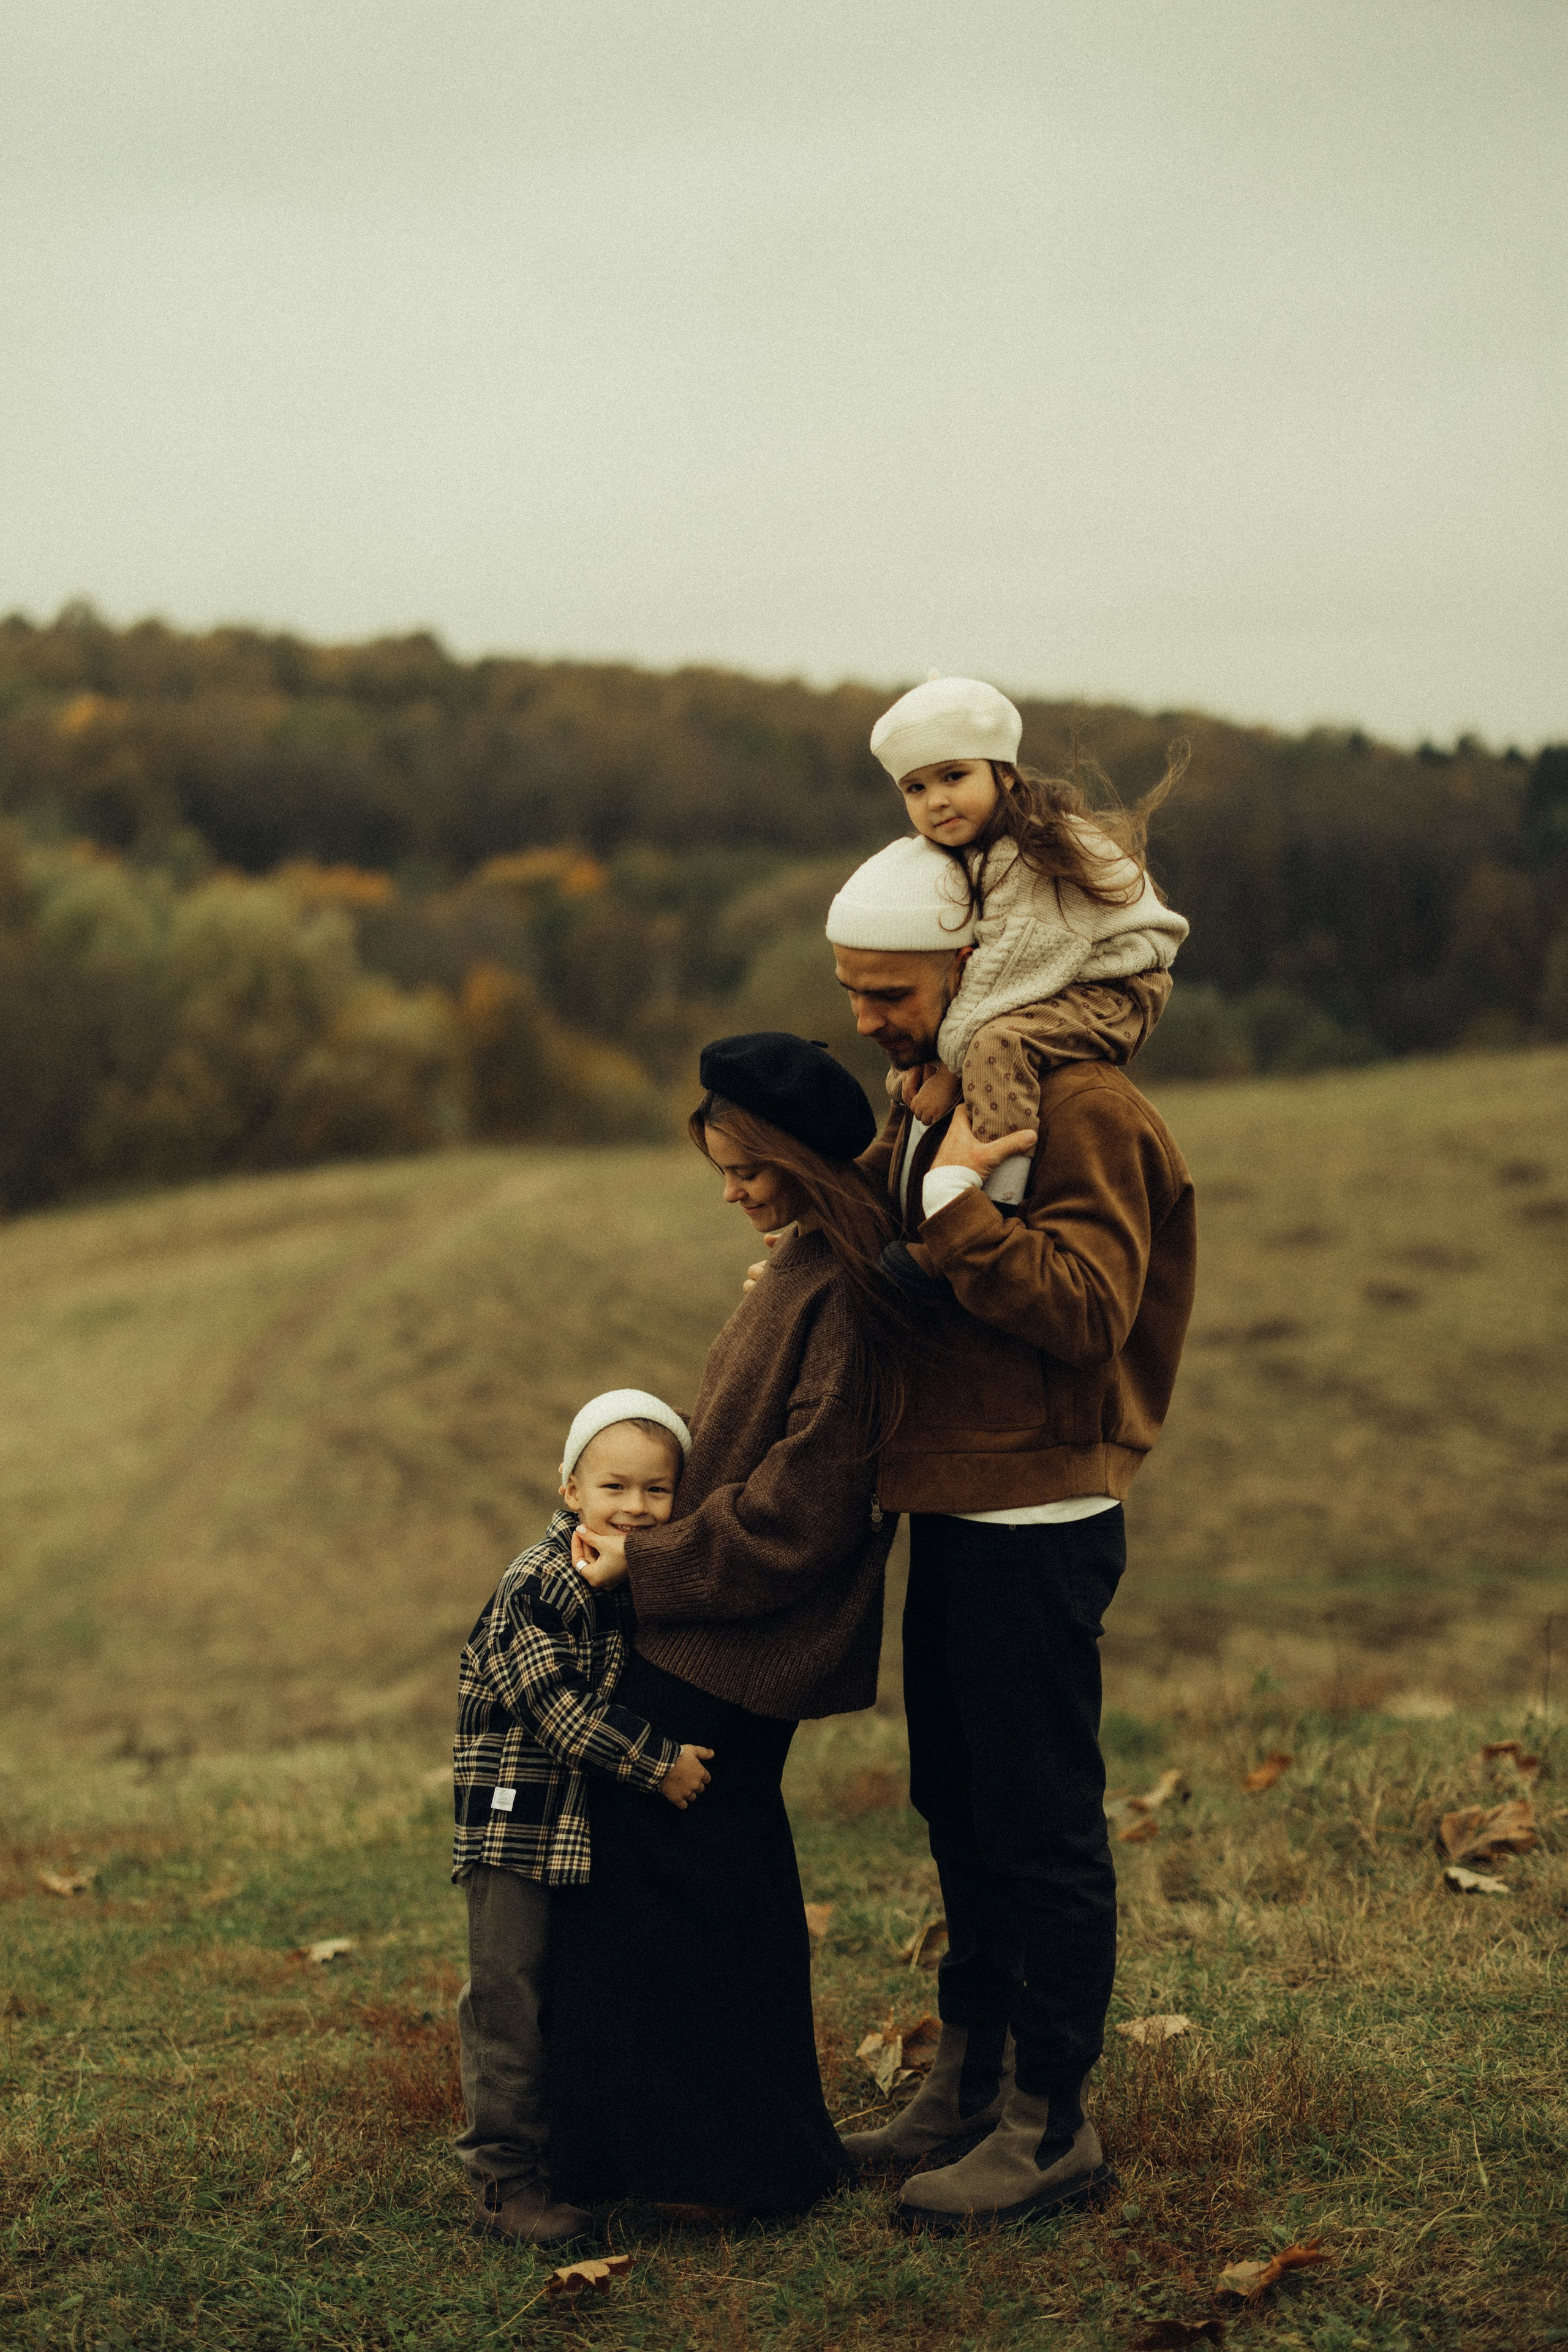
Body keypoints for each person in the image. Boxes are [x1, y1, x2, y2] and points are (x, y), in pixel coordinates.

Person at [822, 817, 1197, 2232]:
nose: (863, 1016)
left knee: (1035, 1820)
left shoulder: (1082, 1103)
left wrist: (953, 1207)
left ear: (970, 962)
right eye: (850, 990)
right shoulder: (933, 1093)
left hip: (1039, 1509)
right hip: (953, 1499)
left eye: (888, 990)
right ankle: (965, 2081)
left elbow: (1088, 1306)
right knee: (957, 1804)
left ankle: (1051, 2124)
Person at [544, 1032, 902, 2219]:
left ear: (803, 1160)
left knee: (698, 1899)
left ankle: (719, 2172)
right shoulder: (804, 1265)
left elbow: (801, 1512)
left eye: (748, 1170)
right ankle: (723, 2159)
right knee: (698, 1890)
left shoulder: (847, 1294)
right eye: (723, 1173)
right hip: (705, 1625)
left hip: (737, 1644)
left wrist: (643, 1563)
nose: (733, 1193)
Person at [451, 1389, 714, 2245]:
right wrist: (657, 1762)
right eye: (614, 1488)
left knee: (565, 1993)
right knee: (509, 2001)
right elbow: (553, 1704)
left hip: (569, 1830)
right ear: (570, 1489)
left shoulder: (623, 1577)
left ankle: (567, 2157)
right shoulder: (541, 1580)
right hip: (513, 1827)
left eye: (657, 1491)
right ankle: (501, 2184)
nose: (635, 1507)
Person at [865, 674, 1188, 1208]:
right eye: (916, 788)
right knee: (920, 1059)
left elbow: (1007, 973)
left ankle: (995, 1194)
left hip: (1114, 988)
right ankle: (904, 1181)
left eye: (953, 776)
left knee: (998, 1045)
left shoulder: (1033, 851)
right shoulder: (971, 848)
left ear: (1006, 776)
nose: (937, 801)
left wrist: (950, 1069)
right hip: (1057, 981)